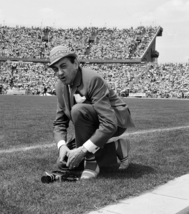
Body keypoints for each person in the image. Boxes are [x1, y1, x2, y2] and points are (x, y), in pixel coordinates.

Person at [49, 45, 135, 179]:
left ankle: (91, 163)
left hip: (115, 120)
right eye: (55, 69)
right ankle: (117, 147)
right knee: (65, 162)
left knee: (78, 110)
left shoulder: (92, 79)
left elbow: (109, 123)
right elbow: (59, 122)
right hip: (93, 122)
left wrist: (83, 151)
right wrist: (62, 146)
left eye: (63, 66)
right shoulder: (60, 86)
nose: (59, 73)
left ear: (76, 63)